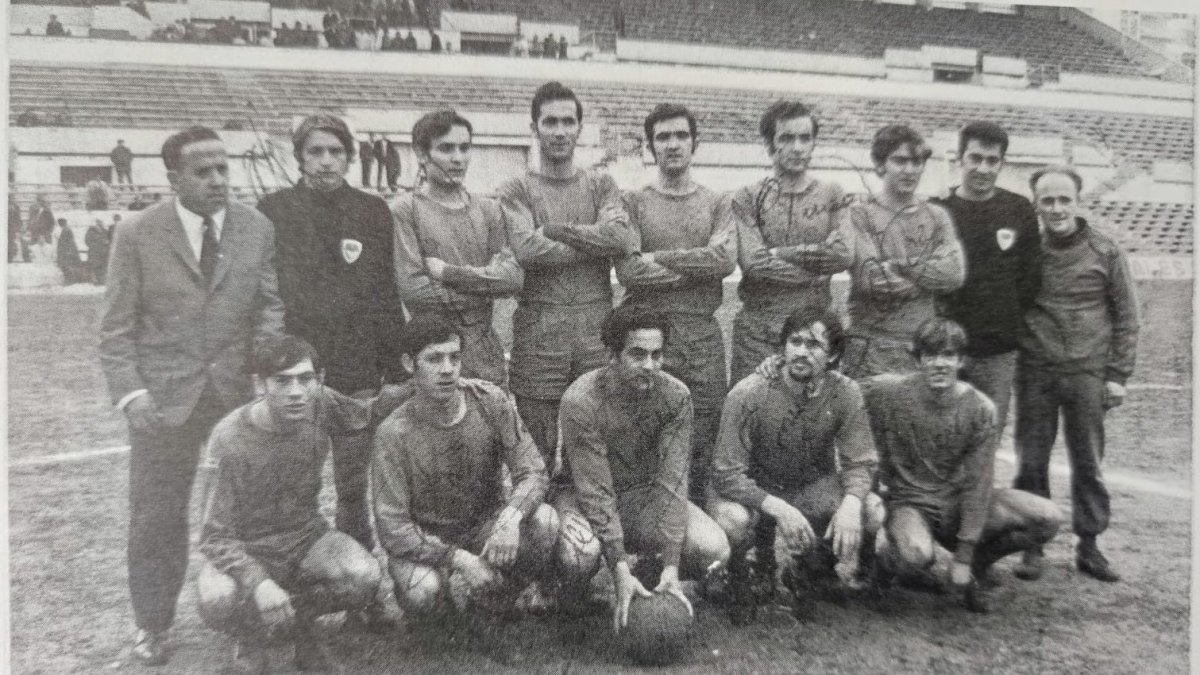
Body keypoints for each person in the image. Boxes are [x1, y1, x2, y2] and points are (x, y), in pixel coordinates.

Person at [99, 126, 285, 666]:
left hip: (234, 393)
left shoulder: (256, 227)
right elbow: (115, 328)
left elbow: (268, 307)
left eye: (223, 168)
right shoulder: (136, 232)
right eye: (203, 172)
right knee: (157, 514)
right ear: (173, 177)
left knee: (248, 513)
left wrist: (264, 369)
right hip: (161, 401)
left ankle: (245, 617)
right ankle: (153, 625)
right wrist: (132, 395)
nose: (218, 180)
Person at [256, 114, 408, 626]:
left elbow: (385, 291)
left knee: (352, 489)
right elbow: (268, 294)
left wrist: (393, 361)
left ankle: (362, 593)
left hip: (356, 371)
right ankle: (270, 596)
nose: (325, 161)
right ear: (299, 156)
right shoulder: (273, 210)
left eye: (335, 152)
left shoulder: (370, 211)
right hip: (296, 374)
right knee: (285, 487)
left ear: (349, 156)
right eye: (315, 151)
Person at [197, 336, 391, 674]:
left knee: (364, 577)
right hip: (247, 547)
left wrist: (422, 386)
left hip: (305, 538)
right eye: (282, 381)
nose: (296, 391)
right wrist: (259, 582)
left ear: (320, 380)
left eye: (305, 379)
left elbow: (366, 413)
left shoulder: (321, 404)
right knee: (218, 598)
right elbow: (214, 536)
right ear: (260, 384)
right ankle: (254, 633)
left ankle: (296, 626)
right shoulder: (229, 438)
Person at [372, 316, 558, 655]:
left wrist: (510, 518)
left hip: (483, 527)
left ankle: (492, 604)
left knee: (545, 522)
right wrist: (456, 558)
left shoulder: (490, 402)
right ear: (408, 363)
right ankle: (444, 618)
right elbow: (392, 527)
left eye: (454, 358)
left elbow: (533, 471)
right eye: (434, 358)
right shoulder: (393, 433)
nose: (447, 369)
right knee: (422, 591)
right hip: (427, 540)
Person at [862, 318, 1063, 613]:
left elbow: (979, 482)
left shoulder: (980, 408)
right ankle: (884, 564)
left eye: (948, 355)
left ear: (961, 360)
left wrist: (966, 554)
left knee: (1046, 517)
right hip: (910, 504)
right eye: (931, 355)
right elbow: (837, 389)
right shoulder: (888, 392)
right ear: (917, 359)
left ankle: (977, 571)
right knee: (915, 555)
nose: (939, 364)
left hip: (956, 504)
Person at [554, 305, 730, 631]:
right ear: (612, 354)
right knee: (580, 553)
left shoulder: (676, 396)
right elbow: (595, 490)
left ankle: (654, 572)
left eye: (657, 355)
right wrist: (619, 567)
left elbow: (673, 481)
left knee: (713, 547)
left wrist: (672, 566)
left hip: (642, 495)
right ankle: (568, 594)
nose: (649, 365)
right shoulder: (581, 399)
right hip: (581, 496)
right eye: (637, 354)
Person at [710, 308, 882, 622]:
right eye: (795, 341)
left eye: (814, 345)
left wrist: (852, 502)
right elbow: (725, 473)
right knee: (732, 519)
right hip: (753, 491)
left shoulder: (845, 392)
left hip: (806, 487)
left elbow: (860, 460)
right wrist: (778, 507)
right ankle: (740, 573)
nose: (801, 352)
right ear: (783, 347)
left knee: (870, 509)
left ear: (833, 356)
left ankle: (814, 566)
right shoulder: (750, 392)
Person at [496, 82, 634, 467]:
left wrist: (557, 231)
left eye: (568, 122)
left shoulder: (601, 183)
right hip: (540, 333)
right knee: (536, 455)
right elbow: (526, 249)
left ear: (579, 128)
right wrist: (592, 243)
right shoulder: (516, 188)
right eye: (550, 121)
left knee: (592, 450)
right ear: (535, 128)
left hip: (594, 331)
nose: (559, 131)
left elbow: (620, 237)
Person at [1013, 165, 1139, 583]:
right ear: (1036, 204)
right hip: (1035, 371)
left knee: (1088, 462)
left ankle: (1089, 544)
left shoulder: (1106, 250)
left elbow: (1128, 317)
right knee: (1031, 462)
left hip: (1088, 373)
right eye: (1047, 200)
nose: (1057, 208)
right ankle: (1033, 542)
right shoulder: (1025, 249)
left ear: (1079, 202)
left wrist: (1118, 374)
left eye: (1064, 199)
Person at [615, 103, 735, 502]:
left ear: (695, 142)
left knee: (702, 440)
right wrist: (695, 264)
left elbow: (724, 260)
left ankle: (700, 545)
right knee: (646, 434)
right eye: (663, 137)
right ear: (651, 146)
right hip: (650, 337)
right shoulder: (633, 201)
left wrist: (661, 258)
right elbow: (630, 271)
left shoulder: (717, 202)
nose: (672, 144)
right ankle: (651, 545)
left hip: (701, 337)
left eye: (681, 135)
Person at [393, 110, 522, 385]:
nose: (458, 158)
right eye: (446, 148)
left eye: (464, 148)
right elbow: (414, 290)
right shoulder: (406, 210)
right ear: (422, 154)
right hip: (434, 353)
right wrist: (486, 286)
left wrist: (449, 273)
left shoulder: (488, 209)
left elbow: (512, 279)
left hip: (484, 353)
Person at [831, 124, 965, 379]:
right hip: (870, 347)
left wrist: (898, 266)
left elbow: (954, 274)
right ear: (880, 164)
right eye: (900, 161)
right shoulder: (860, 214)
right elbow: (872, 280)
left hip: (921, 346)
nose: (910, 170)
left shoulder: (937, 216)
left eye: (917, 162)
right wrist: (927, 276)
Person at [730, 101, 850, 385]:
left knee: (814, 420)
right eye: (786, 138)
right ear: (769, 144)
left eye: (805, 138)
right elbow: (755, 264)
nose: (797, 147)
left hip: (816, 332)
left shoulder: (832, 194)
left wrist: (782, 253)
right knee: (755, 414)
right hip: (759, 333)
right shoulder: (747, 197)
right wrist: (816, 268)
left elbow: (843, 255)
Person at [931, 121, 1040, 431]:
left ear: (1002, 163)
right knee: (943, 433)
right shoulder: (939, 208)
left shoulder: (1018, 209)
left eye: (992, 161)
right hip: (948, 348)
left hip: (998, 350)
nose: (983, 168)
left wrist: (1005, 318)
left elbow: (1030, 278)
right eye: (975, 158)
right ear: (960, 159)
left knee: (986, 436)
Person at [55, 218, 83, 284]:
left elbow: (66, 241)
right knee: (68, 266)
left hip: (67, 251)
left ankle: (69, 280)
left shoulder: (66, 230)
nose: (59, 225)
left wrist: (58, 239)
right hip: (69, 251)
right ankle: (70, 280)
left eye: (60, 223)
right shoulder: (67, 229)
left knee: (67, 266)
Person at [85, 218, 111, 284]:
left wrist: (107, 243)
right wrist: (95, 245)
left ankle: (102, 281)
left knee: (103, 266)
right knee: (95, 266)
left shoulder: (105, 231)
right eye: (98, 222)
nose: (100, 224)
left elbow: (109, 239)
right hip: (94, 252)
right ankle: (95, 281)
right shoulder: (91, 231)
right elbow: (87, 241)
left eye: (101, 222)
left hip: (104, 252)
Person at [8, 193, 22, 263]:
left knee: (11, 243)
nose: (13, 200)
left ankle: (10, 258)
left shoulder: (16, 207)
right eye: (12, 198)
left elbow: (18, 218)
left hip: (12, 228)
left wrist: (18, 227)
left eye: (14, 198)